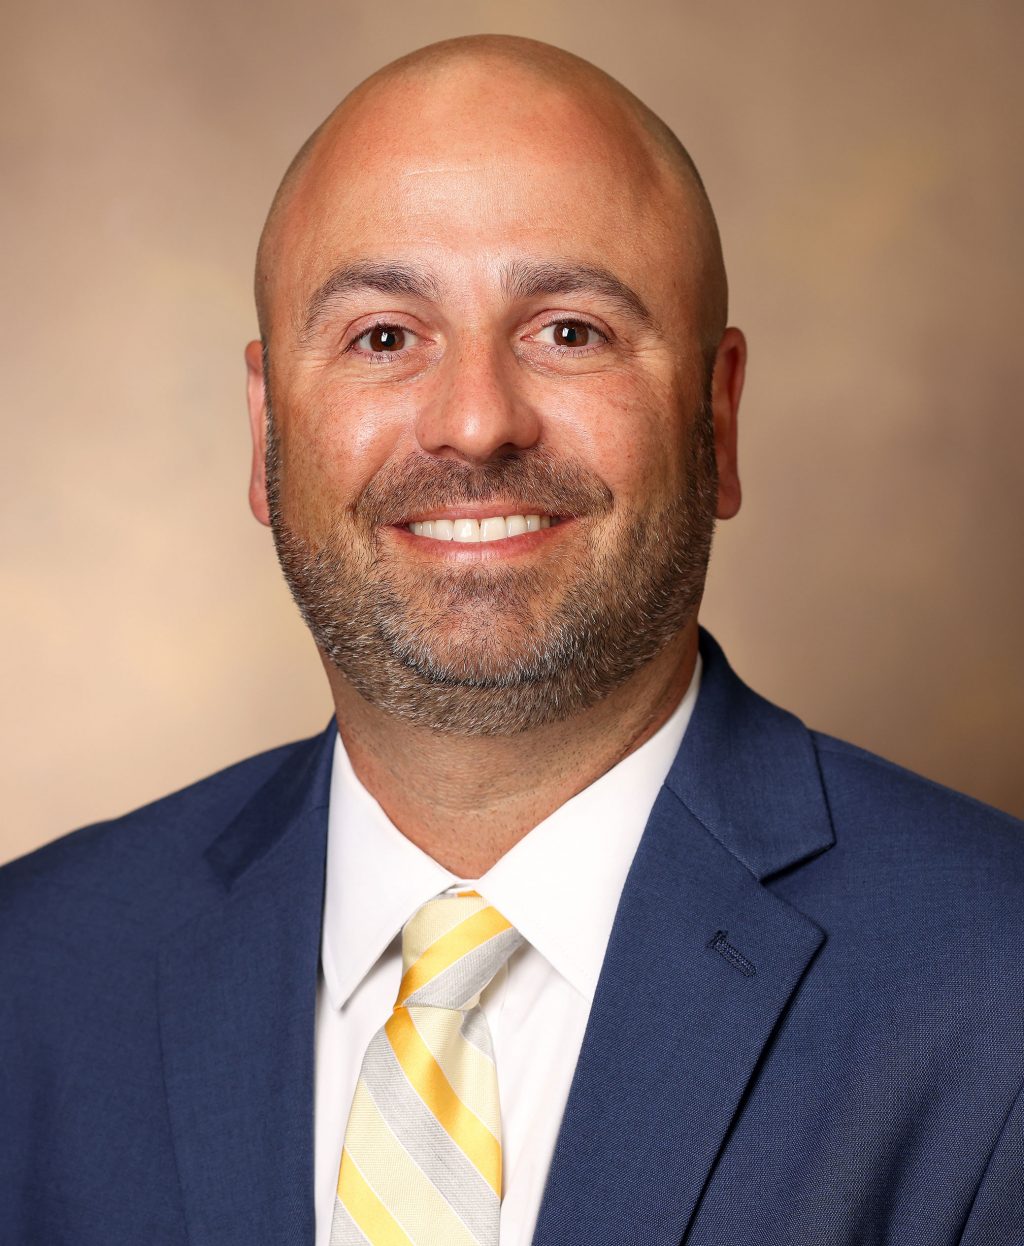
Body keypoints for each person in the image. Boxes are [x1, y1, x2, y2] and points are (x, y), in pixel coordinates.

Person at [1, 32, 1021, 1246]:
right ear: (266, 432)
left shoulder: (993, 988)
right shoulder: (37, 975)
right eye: (384, 335)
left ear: (718, 414)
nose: (477, 422)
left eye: (570, 330)